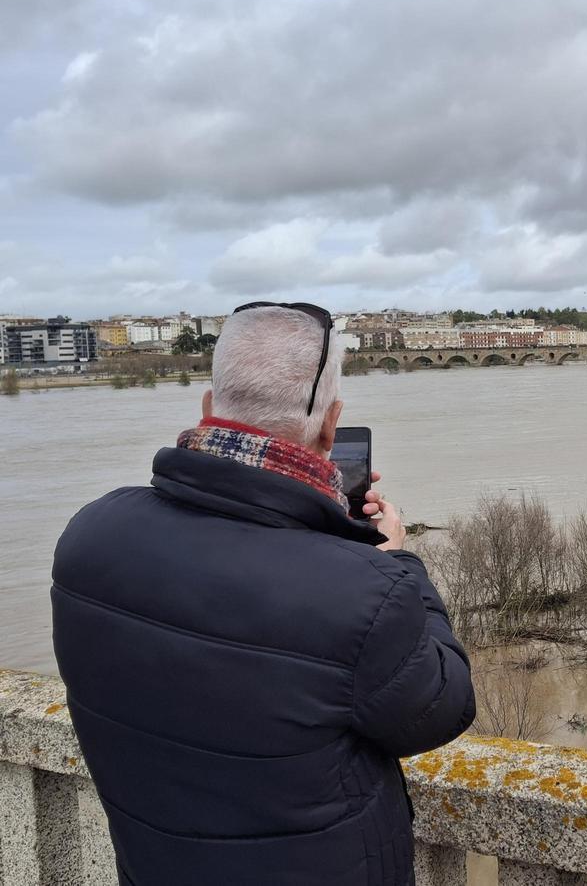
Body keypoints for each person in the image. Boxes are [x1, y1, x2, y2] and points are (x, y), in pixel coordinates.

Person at [51, 303, 474, 886]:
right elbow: (440, 710)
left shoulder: (88, 536)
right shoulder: (363, 591)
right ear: (331, 426)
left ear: (207, 407)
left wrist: (324, 538)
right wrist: (395, 560)